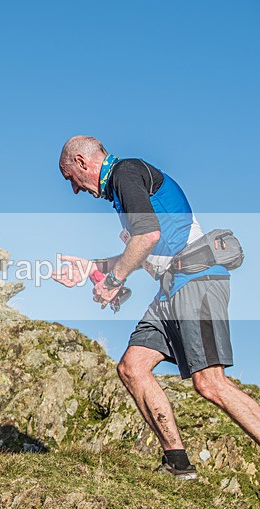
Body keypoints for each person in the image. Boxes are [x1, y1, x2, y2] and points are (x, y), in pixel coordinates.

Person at [52, 135, 260, 480]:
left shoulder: (124, 172)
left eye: (69, 178)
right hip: (170, 289)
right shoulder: (122, 187)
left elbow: (146, 237)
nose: (74, 189)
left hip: (197, 281)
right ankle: (177, 463)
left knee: (210, 384)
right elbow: (147, 249)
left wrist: (114, 282)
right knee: (133, 367)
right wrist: (92, 267)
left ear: (81, 162)